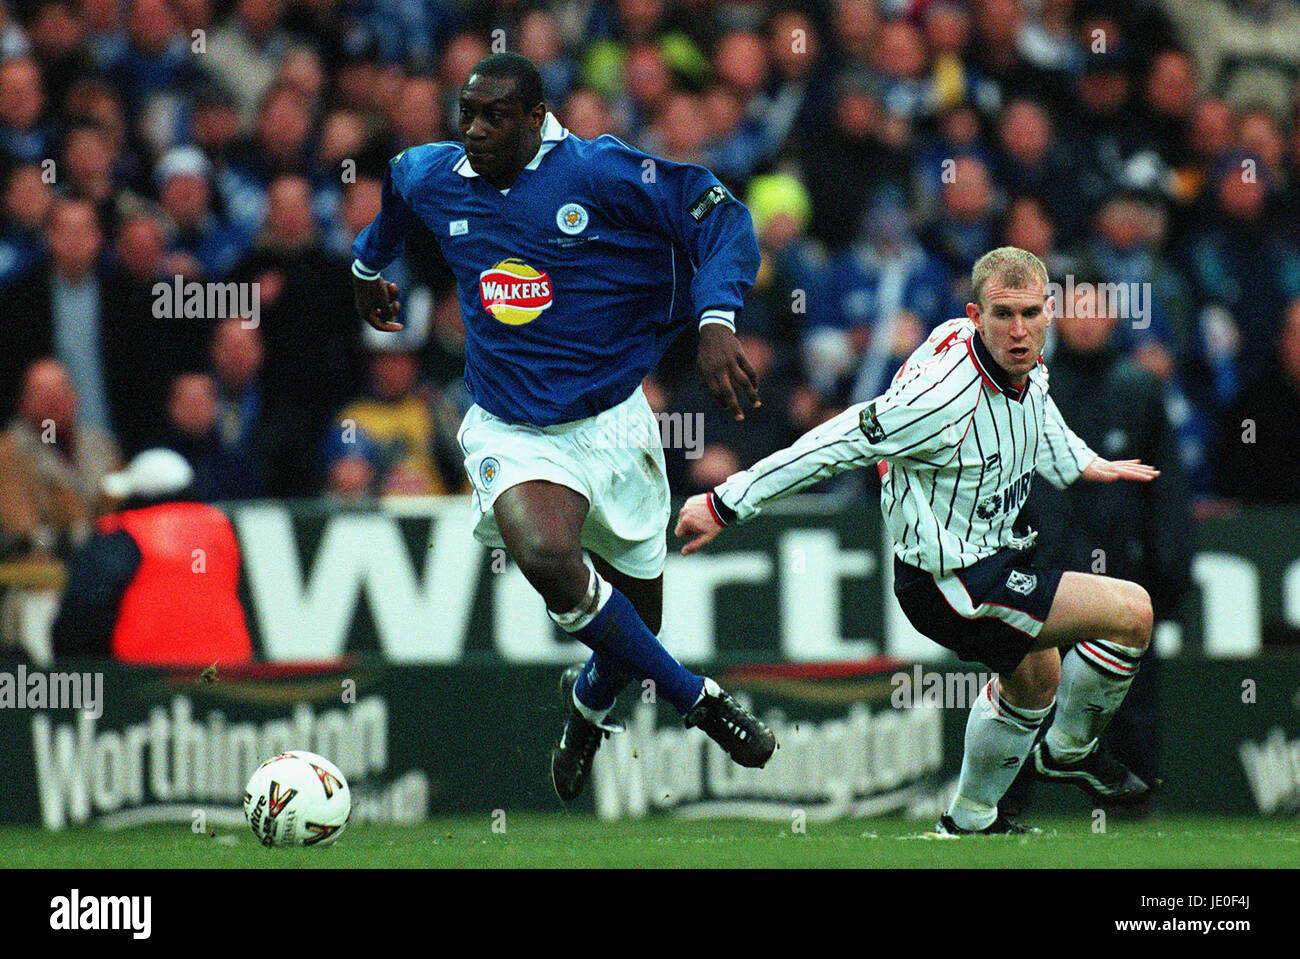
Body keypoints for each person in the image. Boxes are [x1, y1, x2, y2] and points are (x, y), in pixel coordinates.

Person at [350, 53, 776, 803]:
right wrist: (366, 266)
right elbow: (395, 193)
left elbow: (718, 211)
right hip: (509, 429)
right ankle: (699, 701)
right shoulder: (433, 173)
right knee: (547, 556)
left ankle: (586, 710)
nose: (475, 130)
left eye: (495, 116)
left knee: (633, 622)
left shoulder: (600, 173)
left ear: (537, 116)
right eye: (467, 114)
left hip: (615, 425)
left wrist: (716, 316)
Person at [677, 247, 1160, 835]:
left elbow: (1038, 406)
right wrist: (725, 502)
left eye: (1031, 313)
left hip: (992, 553)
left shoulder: (1024, 359)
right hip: (953, 580)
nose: (1018, 329)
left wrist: (1081, 462)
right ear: (974, 314)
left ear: (1049, 312)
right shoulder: (940, 401)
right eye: (1003, 315)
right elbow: (834, 442)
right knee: (1132, 612)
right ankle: (1069, 752)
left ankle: (972, 818)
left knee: (1036, 681)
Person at [51, 447, 253, 665]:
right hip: (226, 671)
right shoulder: (222, 528)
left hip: (148, 678)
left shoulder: (122, 534)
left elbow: (83, 611)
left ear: (137, 495)